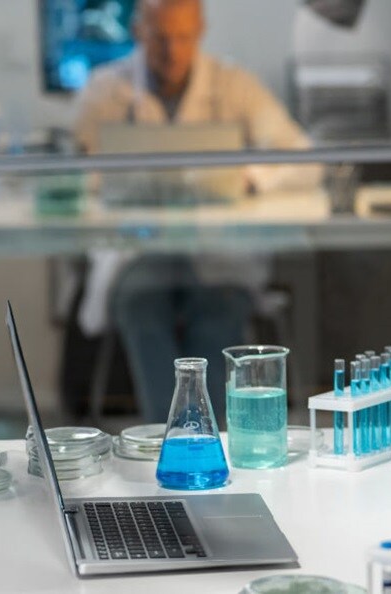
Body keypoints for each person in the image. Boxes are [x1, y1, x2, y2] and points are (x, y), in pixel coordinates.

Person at [73, 0, 322, 422]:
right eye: (160, 37)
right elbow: (75, 171)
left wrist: (250, 178)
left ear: (200, 30)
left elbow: (304, 159)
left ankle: (213, 437)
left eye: (183, 37)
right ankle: (169, 436)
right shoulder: (104, 90)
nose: (172, 50)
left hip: (217, 253)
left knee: (219, 311)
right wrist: (109, 180)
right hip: (139, 252)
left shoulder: (234, 85)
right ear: (138, 31)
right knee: (141, 305)